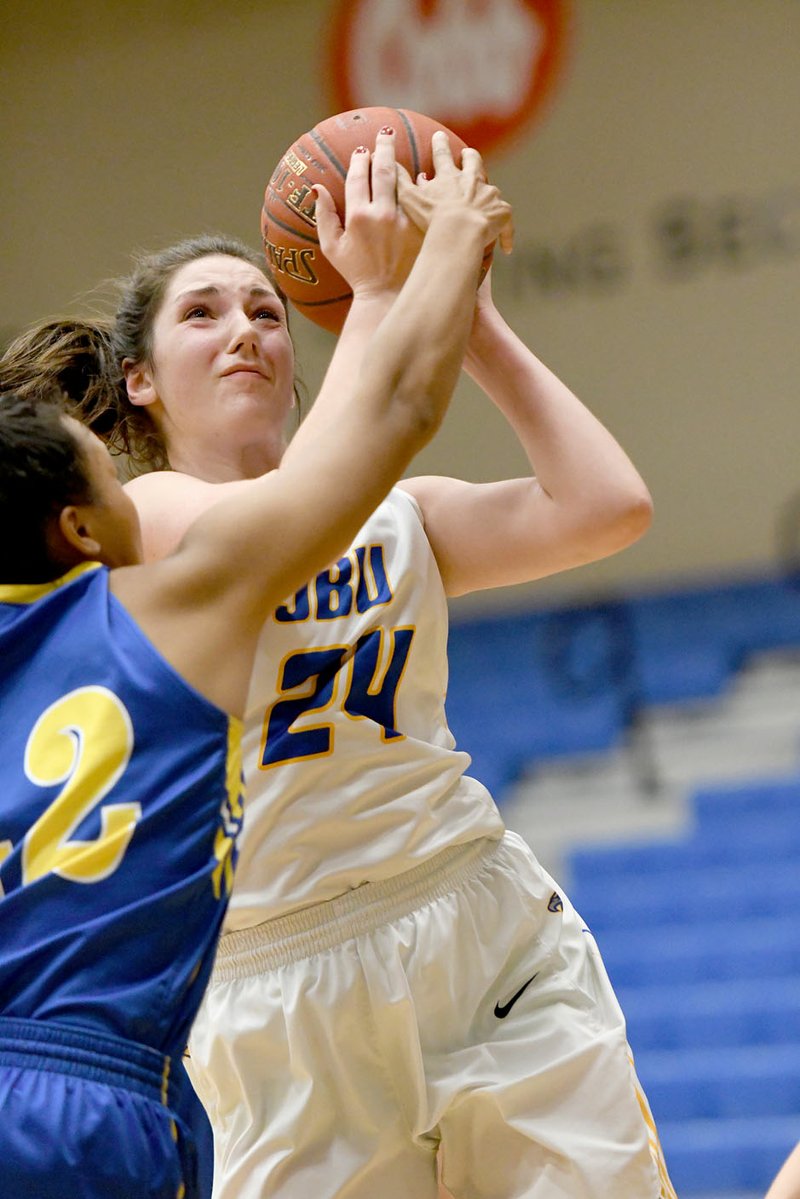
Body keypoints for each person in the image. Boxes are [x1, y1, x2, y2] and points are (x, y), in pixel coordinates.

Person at [2, 131, 673, 1198]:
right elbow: (312, 494)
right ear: (138, 381)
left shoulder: (404, 512)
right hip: (276, 977)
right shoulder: (151, 520)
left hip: (470, 912)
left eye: (268, 308)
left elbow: (605, 506)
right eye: (203, 313)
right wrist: (385, 292)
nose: (245, 331)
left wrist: (473, 317)